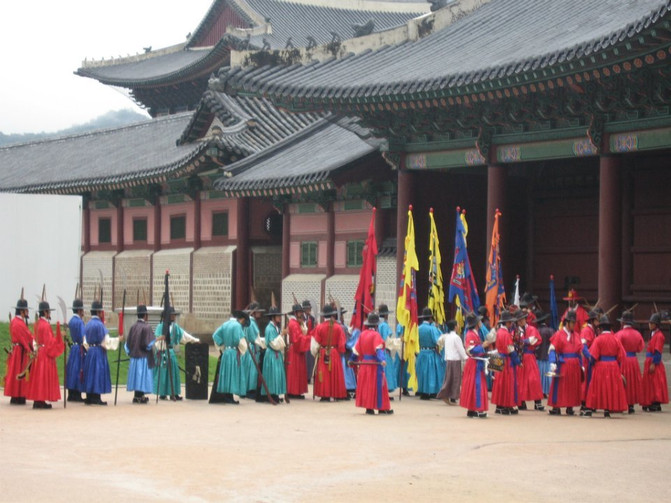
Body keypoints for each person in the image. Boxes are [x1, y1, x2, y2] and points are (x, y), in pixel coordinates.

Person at [584, 315, 628, 417]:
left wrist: (592, 363)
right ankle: (607, 409)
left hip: (601, 366)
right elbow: (621, 356)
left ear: (601, 328)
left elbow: (593, 356)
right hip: (613, 366)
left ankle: (590, 408)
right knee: (611, 387)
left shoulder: (598, 339)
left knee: (597, 387)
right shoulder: (616, 339)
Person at [153, 306, 199, 401]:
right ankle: (162, 393)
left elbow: (184, 336)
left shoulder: (175, 327)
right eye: (172, 315)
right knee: (163, 373)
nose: (174, 316)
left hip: (170, 352)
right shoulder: (160, 326)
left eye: (174, 315)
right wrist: (161, 346)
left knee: (173, 373)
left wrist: (195, 340)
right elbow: (156, 340)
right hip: (162, 352)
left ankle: (173, 393)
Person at [351, 312, 393, 415]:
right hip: (374, 365)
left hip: (364, 365)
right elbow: (378, 350)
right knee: (379, 386)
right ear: (376, 325)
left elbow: (356, 350)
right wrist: (382, 360)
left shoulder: (362, 334)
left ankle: (369, 408)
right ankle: (381, 408)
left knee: (367, 386)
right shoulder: (376, 335)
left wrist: (351, 359)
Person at [26, 300, 64, 409]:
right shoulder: (46, 325)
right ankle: (40, 400)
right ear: (45, 312)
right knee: (43, 378)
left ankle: (38, 400)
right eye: (49, 312)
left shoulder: (37, 324)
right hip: (45, 354)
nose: (49, 314)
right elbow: (49, 342)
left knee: (38, 377)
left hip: (38, 352)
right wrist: (59, 340)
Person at [83, 300, 120, 405]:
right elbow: (106, 342)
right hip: (98, 352)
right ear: (99, 312)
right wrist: (118, 339)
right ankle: (96, 397)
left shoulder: (88, 324)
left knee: (90, 373)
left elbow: (84, 341)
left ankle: (89, 396)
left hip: (90, 351)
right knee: (97, 373)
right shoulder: (100, 325)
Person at [547, 310, 583, 416]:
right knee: (560, 386)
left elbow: (580, 351)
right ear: (567, 323)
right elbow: (552, 349)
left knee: (572, 386)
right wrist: (552, 362)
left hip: (575, 365)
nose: (574, 325)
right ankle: (556, 406)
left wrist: (582, 365)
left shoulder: (576, 335)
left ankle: (570, 406)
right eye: (572, 323)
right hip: (563, 364)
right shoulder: (559, 334)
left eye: (574, 323)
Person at [126, 305, 163, 404]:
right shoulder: (147, 327)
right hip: (143, 357)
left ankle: (137, 395)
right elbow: (148, 344)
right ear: (145, 315)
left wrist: (130, 352)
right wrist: (157, 339)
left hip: (134, 357)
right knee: (141, 377)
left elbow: (127, 344)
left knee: (137, 377)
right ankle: (139, 396)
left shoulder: (133, 327)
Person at [211, 310, 249, 404]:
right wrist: (242, 348)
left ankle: (227, 396)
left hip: (226, 352)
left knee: (227, 374)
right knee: (232, 374)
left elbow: (215, 335)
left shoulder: (225, 324)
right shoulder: (237, 326)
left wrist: (222, 345)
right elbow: (237, 340)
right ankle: (230, 397)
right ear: (242, 319)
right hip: (233, 352)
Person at [312, 304, 347, 401]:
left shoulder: (319, 327)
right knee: (334, 373)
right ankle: (335, 394)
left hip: (323, 352)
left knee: (324, 374)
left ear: (323, 316)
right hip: (334, 352)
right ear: (332, 315)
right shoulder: (338, 327)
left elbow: (316, 342)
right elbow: (341, 344)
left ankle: (324, 395)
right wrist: (339, 351)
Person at [459, 312, 491, 418]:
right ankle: (477, 409)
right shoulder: (470, 334)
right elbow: (470, 350)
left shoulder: (475, 333)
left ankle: (472, 409)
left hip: (477, 362)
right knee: (477, 386)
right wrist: (483, 346)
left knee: (475, 386)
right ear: (476, 323)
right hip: (474, 363)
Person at [4, 295, 34, 405]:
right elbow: (25, 338)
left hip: (17, 349)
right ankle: (19, 395)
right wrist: (30, 349)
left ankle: (16, 395)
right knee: (20, 371)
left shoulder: (14, 321)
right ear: (22, 311)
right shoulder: (19, 323)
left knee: (15, 372)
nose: (27, 312)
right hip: (20, 351)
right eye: (26, 310)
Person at [615, 310, 645, 413]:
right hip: (633, 360)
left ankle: (622, 403)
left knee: (622, 381)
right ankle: (631, 405)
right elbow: (640, 348)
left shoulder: (618, 334)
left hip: (623, 359)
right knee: (632, 382)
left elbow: (616, 348)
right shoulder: (637, 334)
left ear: (622, 322)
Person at [515, 309, 544, 411]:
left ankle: (538, 402)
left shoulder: (532, 329)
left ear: (525, 319)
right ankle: (521, 402)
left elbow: (533, 340)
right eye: (519, 320)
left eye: (522, 319)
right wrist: (524, 341)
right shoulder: (516, 331)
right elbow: (515, 342)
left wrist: (522, 341)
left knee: (533, 379)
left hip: (530, 356)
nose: (521, 321)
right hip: (520, 357)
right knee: (520, 380)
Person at [491, 310, 520, 415]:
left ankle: (499, 406)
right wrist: (517, 361)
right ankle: (505, 405)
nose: (511, 324)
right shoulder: (506, 334)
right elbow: (510, 349)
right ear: (507, 322)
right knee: (506, 383)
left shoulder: (498, 332)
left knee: (498, 383)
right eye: (510, 322)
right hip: (505, 360)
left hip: (497, 357)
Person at [640, 313, 669, 412]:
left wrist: (654, 363)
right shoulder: (653, 334)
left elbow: (658, 351)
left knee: (655, 383)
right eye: (650, 323)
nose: (650, 325)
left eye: (652, 323)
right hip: (649, 360)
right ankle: (649, 401)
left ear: (656, 325)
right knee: (650, 383)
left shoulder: (659, 336)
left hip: (653, 361)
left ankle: (655, 402)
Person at [415, 307, 445, 400]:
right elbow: (438, 341)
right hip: (431, 353)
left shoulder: (418, 328)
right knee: (431, 373)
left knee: (422, 373)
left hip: (421, 352)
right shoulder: (432, 329)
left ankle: (422, 392)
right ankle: (431, 392)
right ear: (430, 318)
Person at [436, 319, 467, 405]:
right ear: (455, 327)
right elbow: (460, 349)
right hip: (455, 360)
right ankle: (451, 396)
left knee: (449, 378)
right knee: (456, 379)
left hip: (449, 359)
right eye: (457, 325)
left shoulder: (447, 336)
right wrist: (466, 357)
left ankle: (448, 395)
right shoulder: (456, 337)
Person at [260, 306, 287, 403]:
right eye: (277, 316)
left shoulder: (276, 327)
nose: (279, 318)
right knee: (272, 374)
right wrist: (282, 335)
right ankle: (271, 394)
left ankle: (276, 393)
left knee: (277, 374)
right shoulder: (269, 328)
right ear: (273, 317)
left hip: (276, 354)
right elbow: (273, 343)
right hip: (271, 354)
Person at [239, 302, 264, 399]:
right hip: (252, 348)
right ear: (254, 313)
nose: (259, 313)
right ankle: (251, 390)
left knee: (247, 369)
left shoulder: (248, 322)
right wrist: (261, 344)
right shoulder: (252, 323)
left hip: (247, 347)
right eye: (258, 312)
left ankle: (245, 389)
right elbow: (255, 337)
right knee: (252, 369)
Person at [285, 303, 309, 399]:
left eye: (301, 312)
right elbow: (297, 339)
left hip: (295, 348)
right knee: (295, 371)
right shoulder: (294, 324)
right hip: (295, 349)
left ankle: (296, 391)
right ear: (295, 313)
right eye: (299, 312)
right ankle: (294, 392)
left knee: (296, 371)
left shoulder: (294, 323)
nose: (301, 314)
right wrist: (307, 338)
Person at [579, 309, 600, 415]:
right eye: (597, 320)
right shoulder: (586, 330)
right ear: (592, 320)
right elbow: (583, 346)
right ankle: (584, 403)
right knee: (587, 381)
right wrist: (589, 357)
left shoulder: (593, 331)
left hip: (592, 359)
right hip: (588, 360)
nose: (598, 322)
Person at [65, 298, 86, 402]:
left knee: (72, 370)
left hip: (73, 347)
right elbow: (83, 337)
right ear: (79, 310)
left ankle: (71, 393)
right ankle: (77, 393)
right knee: (78, 370)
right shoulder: (79, 322)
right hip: (79, 348)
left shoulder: (71, 321)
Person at [378, 304, 399, 396]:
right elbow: (386, 340)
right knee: (386, 371)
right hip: (385, 350)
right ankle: (385, 390)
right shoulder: (384, 325)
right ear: (386, 315)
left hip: (379, 351)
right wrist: (397, 342)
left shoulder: (378, 324)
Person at [533, 310, 553, 398]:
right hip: (548, 357)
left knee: (539, 376)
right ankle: (549, 391)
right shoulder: (550, 331)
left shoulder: (536, 331)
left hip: (538, 357)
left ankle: (540, 392)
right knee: (548, 376)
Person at [303, 300, 316, 384]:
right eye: (308, 308)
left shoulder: (312, 318)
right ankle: (304, 376)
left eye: (309, 308)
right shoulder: (301, 318)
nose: (309, 310)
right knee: (304, 359)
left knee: (310, 359)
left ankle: (309, 376)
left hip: (310, 340)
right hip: (304, 340)